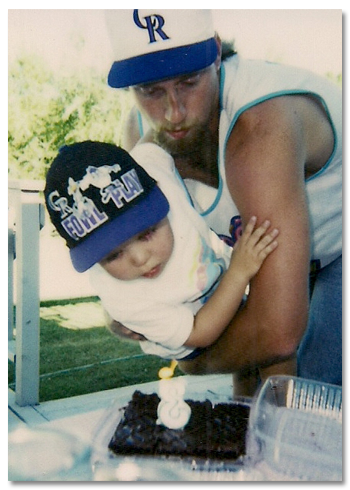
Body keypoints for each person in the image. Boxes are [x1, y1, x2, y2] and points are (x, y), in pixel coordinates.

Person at [104, 9, 342, 391]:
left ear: (215, 52)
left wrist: (189, 355)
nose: (173, 111)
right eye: (151, 91)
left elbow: (276, 334)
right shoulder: (140, 138)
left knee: (316, 398)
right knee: (249, 409)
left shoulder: (260, 122)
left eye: (188, 81)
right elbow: (143, 251)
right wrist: (128, 307)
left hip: (340, 251)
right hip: (284, 256)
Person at [44, 141, 278, 362]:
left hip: (213, 282)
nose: (140, 258)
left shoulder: (154, 169)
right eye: (113, 255)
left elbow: (151, 142)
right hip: (191, 339)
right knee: (273, 343)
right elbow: (199, 334)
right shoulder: (124, 301)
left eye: (146, 234)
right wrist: (238, 272)